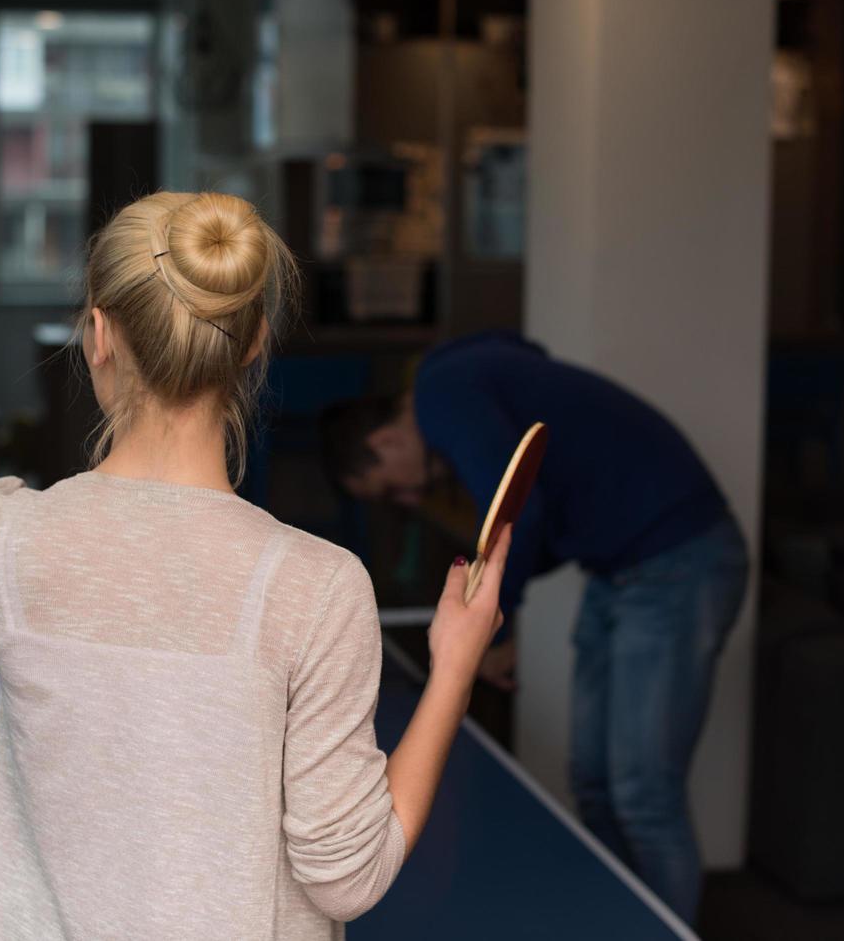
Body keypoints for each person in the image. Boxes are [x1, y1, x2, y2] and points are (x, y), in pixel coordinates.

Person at [0, 191, 509, 939]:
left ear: (98, 334)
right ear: (254, 341)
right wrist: (453, 663)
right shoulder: (317, 585)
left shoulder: (7, 538)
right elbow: (347, 877)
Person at [320, 331, 749, 925]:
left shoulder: (441, 392)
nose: (410, 496)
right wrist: (496, 624)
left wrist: (488, 635)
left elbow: (518, 519)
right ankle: (626, 925)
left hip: (680, 560)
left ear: (386, 439)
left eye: (393, 486)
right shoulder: (463, 377)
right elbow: (536, 516)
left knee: (643, 796)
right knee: (594, 784)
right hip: (619, 569)